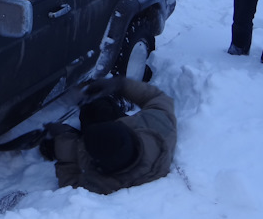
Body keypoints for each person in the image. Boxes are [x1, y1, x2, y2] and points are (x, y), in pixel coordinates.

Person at [38, 77, 177, 195]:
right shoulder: (159, 129)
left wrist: (63, 138)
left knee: (52, 145)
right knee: (98, 107)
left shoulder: (101, 184)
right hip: (112, 145)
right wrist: (120, 85)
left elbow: (70, 184)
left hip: (102, 147)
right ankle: (93, 100)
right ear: (130, 134)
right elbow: (158, 98)